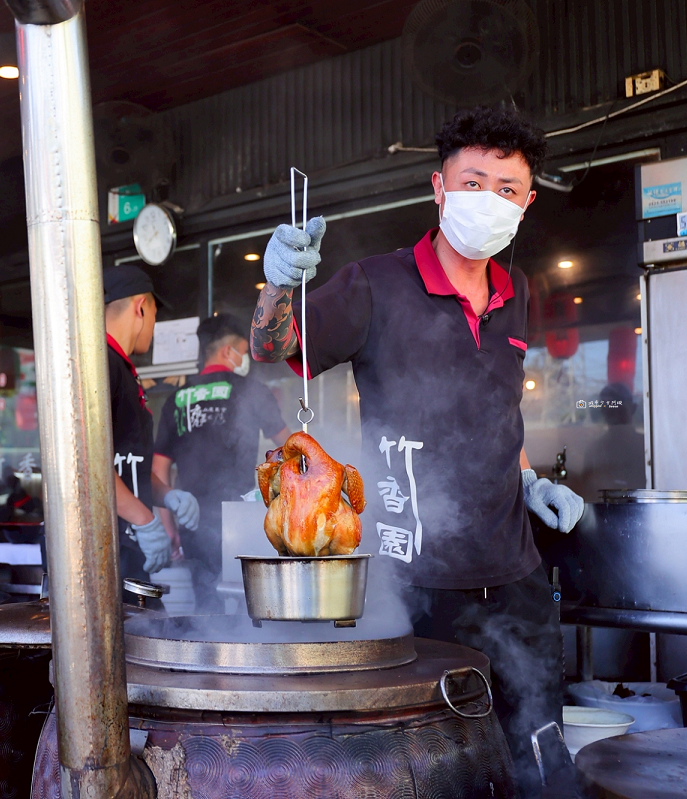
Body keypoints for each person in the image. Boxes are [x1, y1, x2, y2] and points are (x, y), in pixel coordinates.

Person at [250, 106, 585, 798]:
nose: (488, 199)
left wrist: (525, 481)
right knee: (431, 778)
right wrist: (280, 281)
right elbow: (270, 347)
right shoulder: (376, 283)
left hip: (517, 583)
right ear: (439, 188)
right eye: (473, 181)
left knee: (539, 771)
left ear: (526, 202)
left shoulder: (514, 290)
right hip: (416, 593)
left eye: (505, 188)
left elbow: (495, 412)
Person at [153, 313, 288, 613]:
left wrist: (169, 528)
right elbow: (288, 449)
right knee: (247, 605)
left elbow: (158, 472)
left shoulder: (177, 399)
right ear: (228, 351)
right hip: (243, 521)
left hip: (192, 520)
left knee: (206, 609)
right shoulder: (251, 391)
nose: (244, 358)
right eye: (242, 349)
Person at [103, 264, 201, 597]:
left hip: (126, 552)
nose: (154, 328)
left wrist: (166, 495)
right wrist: (144, 519)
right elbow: (86, 463)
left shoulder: (122, 369)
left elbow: (126, 465)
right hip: (101, 556)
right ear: (140, 306)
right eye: (156, 317)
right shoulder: (99, 362)